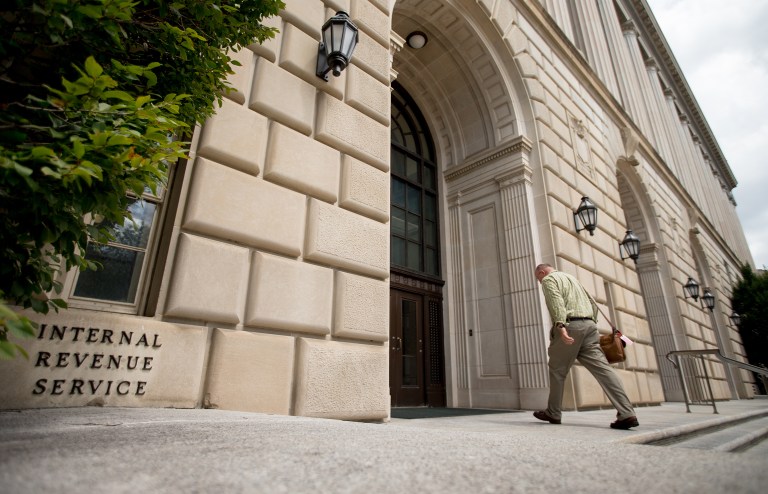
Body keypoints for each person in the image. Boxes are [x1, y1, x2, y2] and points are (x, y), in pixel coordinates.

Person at [533, 263, 639, 429]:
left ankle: (553, 412)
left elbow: (556, 301)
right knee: (604, 370)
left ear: (542, 272)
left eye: (538, 278)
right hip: (590, 327)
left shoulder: (549, 279)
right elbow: (592, 302)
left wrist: (560, 325)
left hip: (571, 326)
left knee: (557, 370)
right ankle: (627, 412)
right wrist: (591, 323)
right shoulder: (572, 278)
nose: (539, 282)